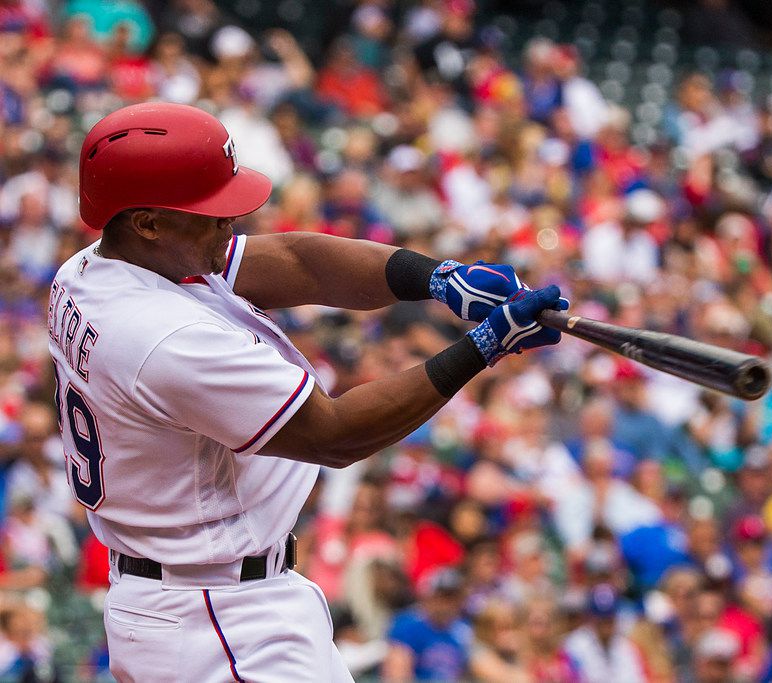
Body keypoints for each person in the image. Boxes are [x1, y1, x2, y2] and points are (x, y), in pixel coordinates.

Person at [50, 102, 566, 682]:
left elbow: (300, 263)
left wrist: (436, 278)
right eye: (209, 212)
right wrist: (484, 346)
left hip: (214, 594)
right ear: (146, 221)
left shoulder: (97, 268)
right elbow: (336, 434)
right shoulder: (165, 339)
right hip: (215, 617)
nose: (229, 223)